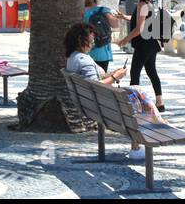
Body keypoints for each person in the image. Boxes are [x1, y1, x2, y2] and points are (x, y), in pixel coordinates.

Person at [65, 22, 170, 157]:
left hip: (93, 104)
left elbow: (93, 80)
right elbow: (95, 85)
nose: (93, 43)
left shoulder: (73, 57)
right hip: (105, 105)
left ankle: (153, 126)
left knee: (135, 91)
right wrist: (115, 77)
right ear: (80, 40)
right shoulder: (83, 60)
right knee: (137, 94)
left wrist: (112, 74)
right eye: (90, 40)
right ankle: (152, 129)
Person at [114, 0, 165, 112]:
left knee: (134, 72)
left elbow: (139, 28)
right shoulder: (148, 1)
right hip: (151, 43)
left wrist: (124, 40)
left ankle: (133, 105)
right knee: (151, 71)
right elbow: (141, 20)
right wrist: (124, 17)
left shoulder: (143, 4)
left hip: (144, 44)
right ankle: (160, 103)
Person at [82, 0, 125, 73]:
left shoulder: (81, 12)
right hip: (103, 52)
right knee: (101, 77)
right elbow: (116, 25)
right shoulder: (103, 10)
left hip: (86, 51)